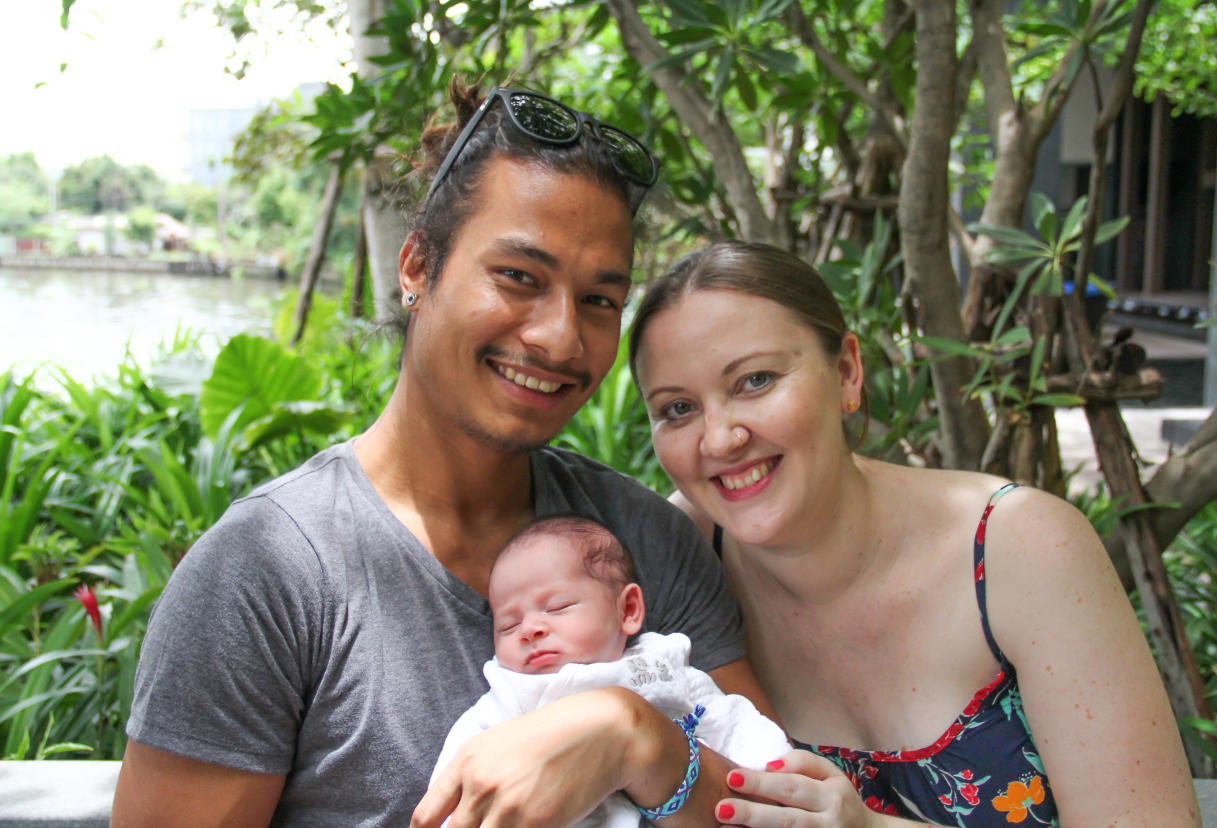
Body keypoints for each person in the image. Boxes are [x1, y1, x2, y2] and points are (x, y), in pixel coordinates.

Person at [111, 81, 770, 828]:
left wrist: (637, 738)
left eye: (599, 300)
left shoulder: (643, 543)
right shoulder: (269, 576)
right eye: (519, 277)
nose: (559, 337)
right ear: (418, 267)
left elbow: (780, 802)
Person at [628, 240, 1202, 828]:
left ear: (847, 372)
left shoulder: (1019, 547)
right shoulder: (673, 557)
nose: (720, 439)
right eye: (677, 409)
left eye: (755, 380)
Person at [433, 514, 789, 828]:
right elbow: (460, 775)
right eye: (508, 625)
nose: (530, 629)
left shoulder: (659, 668)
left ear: (629, 609)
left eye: (557, 607)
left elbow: (730, 720)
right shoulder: (507, 700)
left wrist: (777, 771)